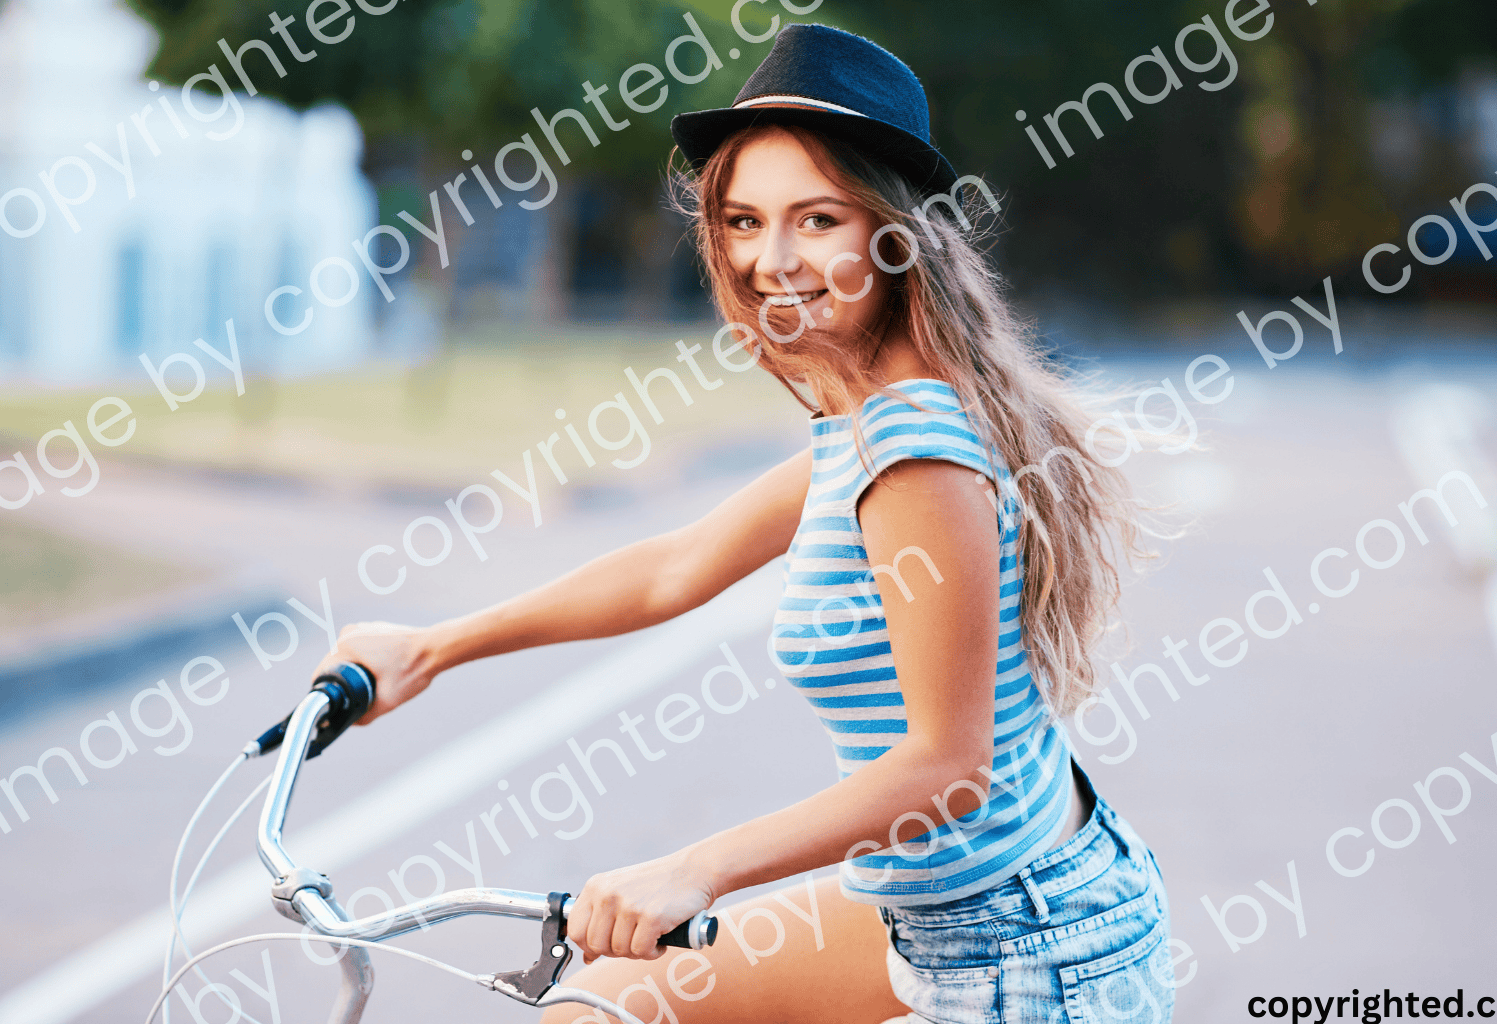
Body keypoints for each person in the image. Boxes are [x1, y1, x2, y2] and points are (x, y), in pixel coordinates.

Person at [316, 22, 1176, 1024]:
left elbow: (948, 767)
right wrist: (434, 645)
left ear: (893, 231)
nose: (772, 259)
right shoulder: (864, 414)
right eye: (742, 220)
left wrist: (694, 870)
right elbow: (672, 567)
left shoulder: (917, 452)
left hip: (1023, 950)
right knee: (600, 1005)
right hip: (951, 910)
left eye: (818, 220)